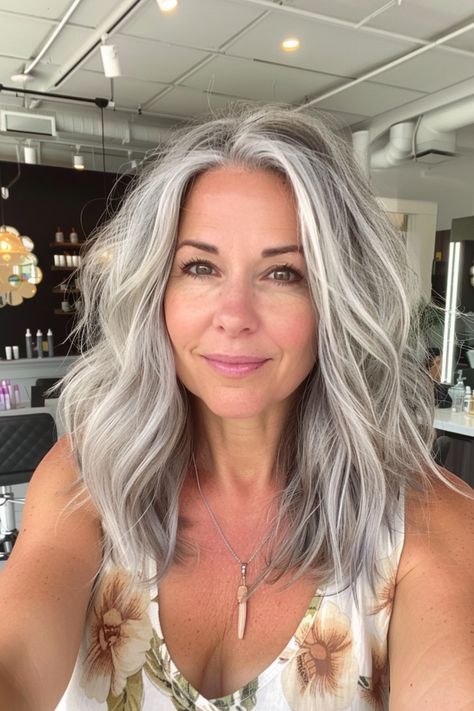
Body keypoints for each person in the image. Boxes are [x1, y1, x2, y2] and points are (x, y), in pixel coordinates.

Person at [0, 106, 473, 711]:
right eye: (200, 267)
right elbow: (14, 661)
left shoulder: (433, 523)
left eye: (283, 273)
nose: (234, 315)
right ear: (156, 292)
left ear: (338, 300)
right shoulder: (88, 481)